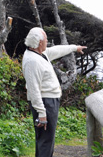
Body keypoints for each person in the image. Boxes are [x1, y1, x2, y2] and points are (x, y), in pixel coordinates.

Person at [22, 27, 87, 157]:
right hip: (45, 103)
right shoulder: (32, 61)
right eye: (45, 39)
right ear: (40, 42)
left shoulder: (40, 53)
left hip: (49, 101)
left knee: (46, 139)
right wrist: (41, 113)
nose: (47, 42)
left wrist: (75, 47)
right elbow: (33, 89)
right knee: (46, 140)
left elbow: (57, 50)